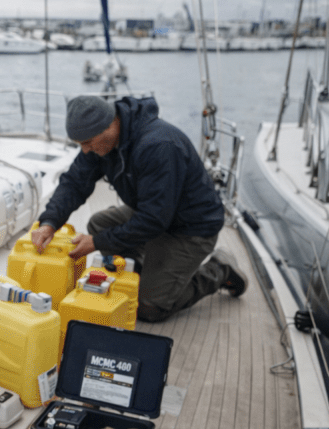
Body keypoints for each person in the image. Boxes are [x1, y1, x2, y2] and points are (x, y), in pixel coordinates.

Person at [31, 95, 248, 322]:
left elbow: (154, 220)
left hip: (191, 227)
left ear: (110, 125)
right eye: (81, 145)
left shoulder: (158, 145)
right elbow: (74, 183)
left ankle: (219, 269)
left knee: (148, 307)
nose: (85, 151)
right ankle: (145, 276)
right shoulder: (99, 143)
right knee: (99, 224)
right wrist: (49, 222)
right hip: (156, 213)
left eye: (87, 143)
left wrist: (97, 243)